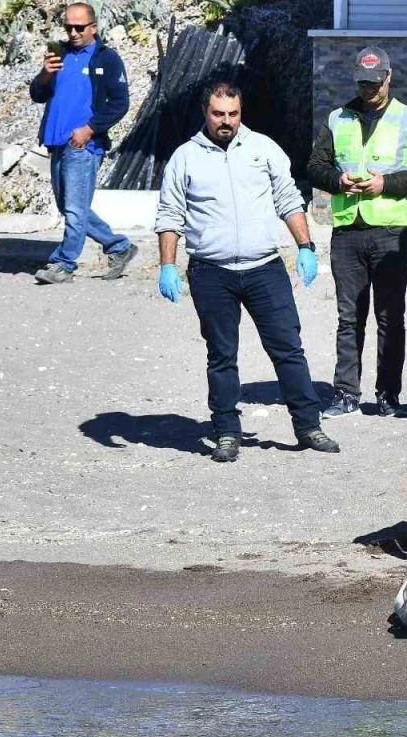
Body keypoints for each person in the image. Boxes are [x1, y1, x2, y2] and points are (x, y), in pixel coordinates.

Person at [154, 81, 339, 462]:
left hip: (263, 268)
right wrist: (168, 265)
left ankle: (308, 426)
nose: (226, 121)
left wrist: (305, 247)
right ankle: (225, 432)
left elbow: (288, 197)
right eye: (219, 114)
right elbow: (170, 213)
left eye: (233, 114)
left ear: (241, 112)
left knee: (288, 349)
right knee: (222, 354)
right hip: (211, 271)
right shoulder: (185, 157)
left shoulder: (262, 148)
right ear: (205, 112)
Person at [306, 47, 407, 419]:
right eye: (363, 83)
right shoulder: (337, 118)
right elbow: (315, 167)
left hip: (392, 231)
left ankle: (388, 395)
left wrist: (387, 184)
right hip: (347, 232)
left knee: (391, 317)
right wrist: (338, 180)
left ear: (389, 77)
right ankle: (346, 393)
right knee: (349, 317)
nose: (369, 90)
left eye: (375, 84)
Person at [28, 2, 137, 285]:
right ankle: (119, 247)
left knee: (75, 209)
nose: (73, 33)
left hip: (83, 145)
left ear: (93, 28)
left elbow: (120, 103)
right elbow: (38, 95)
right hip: (56, 142)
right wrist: (45, 74)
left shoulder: (107, 59)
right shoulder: (59, 54)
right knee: (69, 207)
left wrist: (89, 130)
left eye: (79, 27)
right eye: (68, 27)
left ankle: (63, 264)